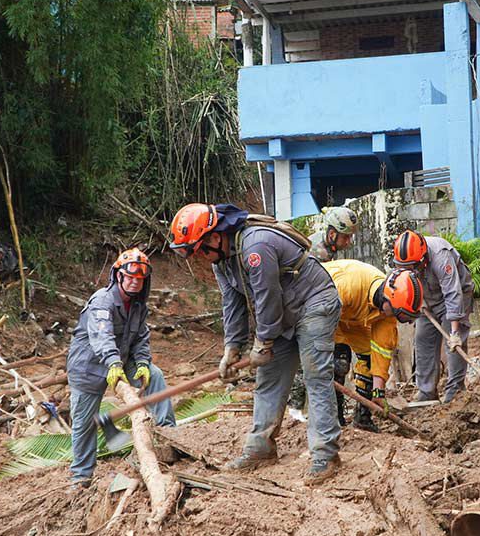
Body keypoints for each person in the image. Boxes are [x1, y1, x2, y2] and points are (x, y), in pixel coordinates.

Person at [169, 203, 342, 485]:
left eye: (197, 250)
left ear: (213, 238)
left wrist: (263, 342)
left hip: (314, 303)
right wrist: (232, 347)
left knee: (316, 377)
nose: (197, 258)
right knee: (269, 377)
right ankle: (260, 448)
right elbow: (233, 302)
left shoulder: (255, 247)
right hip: (284, 312)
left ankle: (326, 454)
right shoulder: (222, 258)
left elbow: (267, 297)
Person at [66, 248, 176, 487]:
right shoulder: (102, 302)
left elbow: (141, 338)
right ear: (119, 276)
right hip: (89, 367)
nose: (135, 283)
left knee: (155, 376)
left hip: (120, 360)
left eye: (140, 279)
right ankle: (81, 477)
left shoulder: (137, 306)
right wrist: (113, 363)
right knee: (84, 423)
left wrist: (143, 363)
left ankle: (170, 437)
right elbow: (102, 337)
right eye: (131, 278)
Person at [323, 260, 423, 432]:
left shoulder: (386, 314)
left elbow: (381, 353)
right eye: (399, 314)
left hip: (352, 317)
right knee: (338, 363)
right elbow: (317, 320)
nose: (397, 319)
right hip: (323, 310)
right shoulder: (347, 286)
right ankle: (332, 419)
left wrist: (378, 393)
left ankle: (362, 418)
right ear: (387, 299)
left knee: (369, 359)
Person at [288, 206, 359, 422]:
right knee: (307, 363)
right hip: (304, 309)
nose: (348, 243)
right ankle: (296, 412)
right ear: (332, 234)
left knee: (333, 364)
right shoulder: (317, 254)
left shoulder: (327, 248)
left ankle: (332, 415)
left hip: (316, 309)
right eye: (345, 238)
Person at [393, 230, 475, 404]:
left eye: (413, 267)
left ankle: (455, 390)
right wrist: (417, 302)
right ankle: (426, 390)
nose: (410, 270)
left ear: (423, 259)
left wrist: (454, 332)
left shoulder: (440, 256)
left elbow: (453, 293)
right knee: (423, 339)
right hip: (428, 300)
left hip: (455, 296)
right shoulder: (403, 260)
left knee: (453, 345)